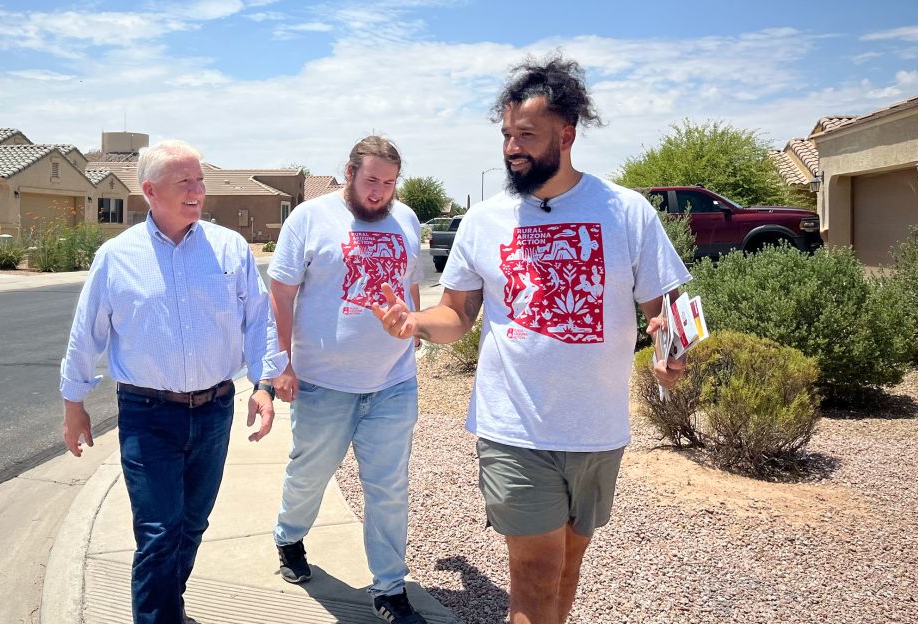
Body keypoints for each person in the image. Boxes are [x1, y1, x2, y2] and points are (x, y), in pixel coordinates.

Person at [372, 56, 691, 624]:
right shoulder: (485, 221)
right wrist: (415, 322)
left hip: (597, 429)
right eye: (506, 135)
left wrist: (670, 348)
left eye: (527, 135)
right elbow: (458, 315)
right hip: (514, 427)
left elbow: (662, 310)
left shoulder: (626, 211)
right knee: (536, 574)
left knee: (567, 566)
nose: (511, 148)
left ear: (566, 135)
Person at [59, 140, 276, 624]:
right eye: (185, 182)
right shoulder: (116, 258)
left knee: (191, 525)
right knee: (159, 532)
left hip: (216, 410)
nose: (198, 191)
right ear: (149, 190)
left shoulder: (229, 248)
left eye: (200, 181)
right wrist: (74, 401)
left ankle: (167, 609)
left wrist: (263, 384)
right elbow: (86, 333)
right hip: (147, 415)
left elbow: (260, 320)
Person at [261, 136, 428, 624]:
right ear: (351, 172)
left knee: (389, 487)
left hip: (393, 382)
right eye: (372, 180)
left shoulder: (407, 219)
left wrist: (414, 327)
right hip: (322, 383)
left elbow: (411, 282)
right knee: (309, 475)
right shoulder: (310, 219)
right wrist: (282, 366)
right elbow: (281, 294)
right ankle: (289, 536)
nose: (379, 192)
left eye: (390, 183)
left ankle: (390, 590)